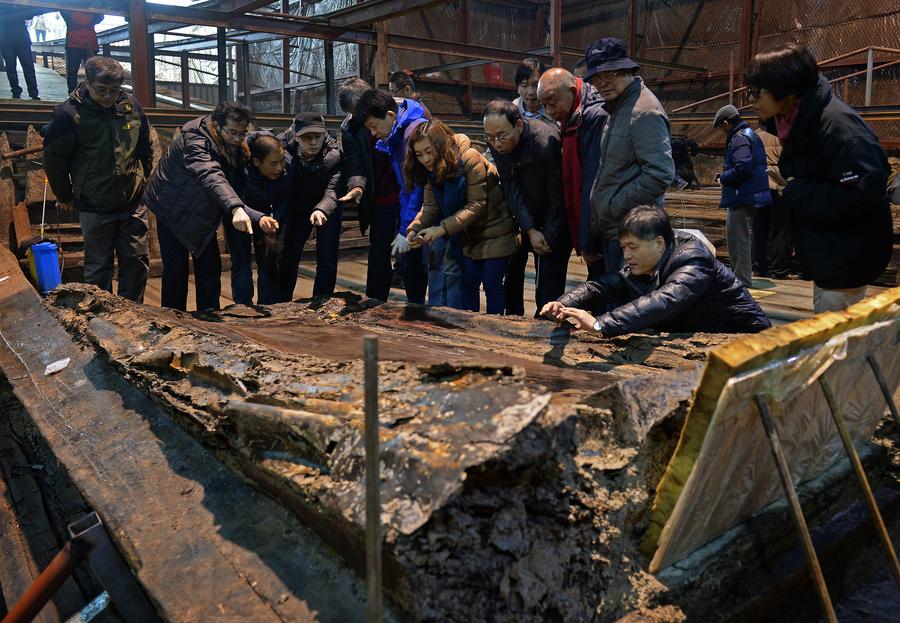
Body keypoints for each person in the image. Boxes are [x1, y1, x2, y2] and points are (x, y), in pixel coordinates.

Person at [747, 44, 892, 312]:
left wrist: (793, 191)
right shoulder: (796, 120)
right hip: (829, 249)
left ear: (787, 91)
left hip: (848, 253)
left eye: (757, 92)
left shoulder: (839, 128)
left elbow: (862, 192)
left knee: (837, 340)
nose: (751, 100)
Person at [540, 206, 771, 336]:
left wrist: (600, 324)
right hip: (699, 339)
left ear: (659, 243)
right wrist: (564, 304)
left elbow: (665, 300)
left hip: (749, 340)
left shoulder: (693, 259)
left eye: (633, 247)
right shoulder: (641, 265)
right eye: (623, 248)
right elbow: (600, 287)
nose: (626, 255)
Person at [142, 101, 269, 312]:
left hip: (200, 211)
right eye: (232, 132)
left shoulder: (234, 143)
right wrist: (236, 208)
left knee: (210, 266)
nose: (238, 139)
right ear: (217, 125)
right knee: (176, 269)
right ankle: (173, 321)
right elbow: (210, 174)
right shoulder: (195, 139)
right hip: (170, 208)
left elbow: (255, 144)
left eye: (242, 133)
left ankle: (209, 318)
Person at [43, 57, 151, 302]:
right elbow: (55, 159)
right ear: (88, 83)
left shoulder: (130, 105)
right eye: (101, 90)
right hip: (94, 202)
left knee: (136, 262)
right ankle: (102, 317)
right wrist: (64, 195)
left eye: (114, 90)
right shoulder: (68, 114)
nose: (108, 96)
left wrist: (142, 178)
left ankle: (134, 315)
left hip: (132, 201)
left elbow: (144, 145)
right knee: (99, 266)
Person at [404, 120, 519, 314]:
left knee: (492, 285)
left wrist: (441, 229)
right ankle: (468, 330)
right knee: (469, 285)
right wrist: (414, 229)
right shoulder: (431, 169)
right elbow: (430, 206)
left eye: (428, 151)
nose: (425, 159)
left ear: (440, 145)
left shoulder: (469, 158)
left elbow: (477, 205)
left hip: (495, 231)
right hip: (468, 236)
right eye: (419, 154)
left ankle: (497, 332)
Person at [584, 37, 675, 279]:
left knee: (629, 307)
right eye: (596, 77)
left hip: (633, 232)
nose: (601, 83)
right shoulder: (618, 109)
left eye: (609, 74)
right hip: (616, 230)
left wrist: (614, 206)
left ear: (626, 70)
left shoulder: (644, 112)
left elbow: (660, 174)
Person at [482, 99, 568, 316]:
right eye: (490, 138)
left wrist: (546, 233)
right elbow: (510, 185)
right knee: (511, 272)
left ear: (518, 126)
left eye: (502, 136)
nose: (497, 143)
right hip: (522, 214)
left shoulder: (546, 142)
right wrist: (529, 228)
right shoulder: (496, 139)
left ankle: (547, 327)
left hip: (554, 216)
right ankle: (513, 320)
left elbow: (558, 195)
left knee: (548, 284)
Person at [353, 88, 430, 304]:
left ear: (390, 116)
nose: (373, 134)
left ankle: (420, 310)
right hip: (414, 210)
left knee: (422, 263)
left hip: (430, 209)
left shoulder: (411, 135)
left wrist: (407, 229)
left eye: (374, 127)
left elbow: (418, 187)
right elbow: (405, 186)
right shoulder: (394, 138)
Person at [537, 67, 607, 280]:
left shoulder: (595, 116)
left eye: (552, 102)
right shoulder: (571, 115)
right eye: (544, 105)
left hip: (599, 222)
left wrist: (587, 239)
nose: (548, 110)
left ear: (570, 89)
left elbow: (592, 183)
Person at [278, 112, 343, 302]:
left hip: (327, 205)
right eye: (307, 137)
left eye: (318, 136)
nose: (313, 142)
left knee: (327, 257)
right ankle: (281, 302)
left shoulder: (334, 155)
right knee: (288, 254)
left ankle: (321, 301)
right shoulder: (281, 148)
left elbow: (333, 189)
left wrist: (321, 209)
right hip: (296, 205)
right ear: (296, 135)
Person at [713, 104, 771, 288]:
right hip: (747, 193)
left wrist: (723, 178)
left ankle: (742, 280)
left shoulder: (739, 138)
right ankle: (741, 277)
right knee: (739, 237)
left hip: (742, 194)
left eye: (721, 127)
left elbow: (742, 168)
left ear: (725, 123)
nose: (722, 132)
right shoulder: (747, 134)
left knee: (738, 238)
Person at [230, 132, 284, 305]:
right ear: (256, 162)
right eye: (273, 164)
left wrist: (273, 226)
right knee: (241, 262)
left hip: (268, 218)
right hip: (239, 216)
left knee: (268, 261)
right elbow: (234, 199)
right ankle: (243, 308)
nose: (279, 168)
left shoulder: (285, 166)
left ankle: (268, 307)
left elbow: (286, 198)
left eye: (281, 162)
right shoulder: (240, 168)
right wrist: (259, 218)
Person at [753, 128, 792, 279]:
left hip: (761, 185)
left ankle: (759, 266)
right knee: (781, 228)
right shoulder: (784, 134)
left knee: (759, 228)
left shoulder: (755, 135)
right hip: (780, 186)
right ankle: (780, 269)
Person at [0, 5, 40, 100]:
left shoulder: (18, 3)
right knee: (13, 67)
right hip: (10, 39)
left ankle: (30, 92)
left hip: (16, 39)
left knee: (26, 67)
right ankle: (19, 92)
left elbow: (29, 14)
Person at [61, 11, 102, 93]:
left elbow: (63, 11)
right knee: (93, 72)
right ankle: (92, 94)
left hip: (73, 43)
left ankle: (72, 93)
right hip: (90, 43)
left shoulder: (69, 12)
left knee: (72, 71)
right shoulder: (92, 12)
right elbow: (100, 17)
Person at [512, 58, 554, 124]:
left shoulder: (555, 111)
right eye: (524, 85)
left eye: (535, 85)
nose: (531, 92)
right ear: (518, 88)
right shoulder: (510, 113)